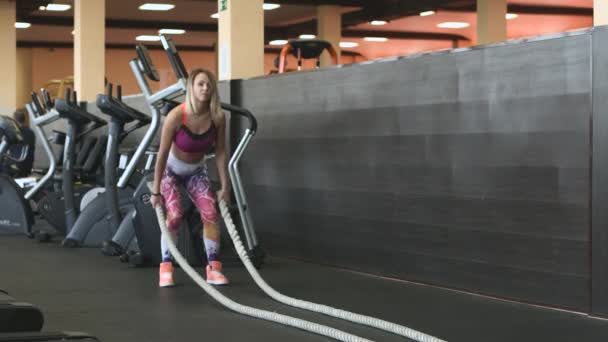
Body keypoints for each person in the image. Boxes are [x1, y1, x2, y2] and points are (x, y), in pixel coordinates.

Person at [150, 68, 230, 288]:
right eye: (200, 84)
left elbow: (222, 152)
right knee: (175, 216)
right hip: (171, 170)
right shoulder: (177, 116)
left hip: (196, 170)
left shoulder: (218, 117)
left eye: (208, 84)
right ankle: (166, 268)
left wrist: (226, 185)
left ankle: (213, 269)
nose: (205, 88)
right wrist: (156, 190)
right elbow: (162, 153)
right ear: (192, 88)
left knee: (211, 213)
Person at [7, 109, 36, 177]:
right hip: (28, 167)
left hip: (16, 166)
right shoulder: (31, 133)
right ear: (24, 120)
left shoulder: (14, 133)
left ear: (14, 120)